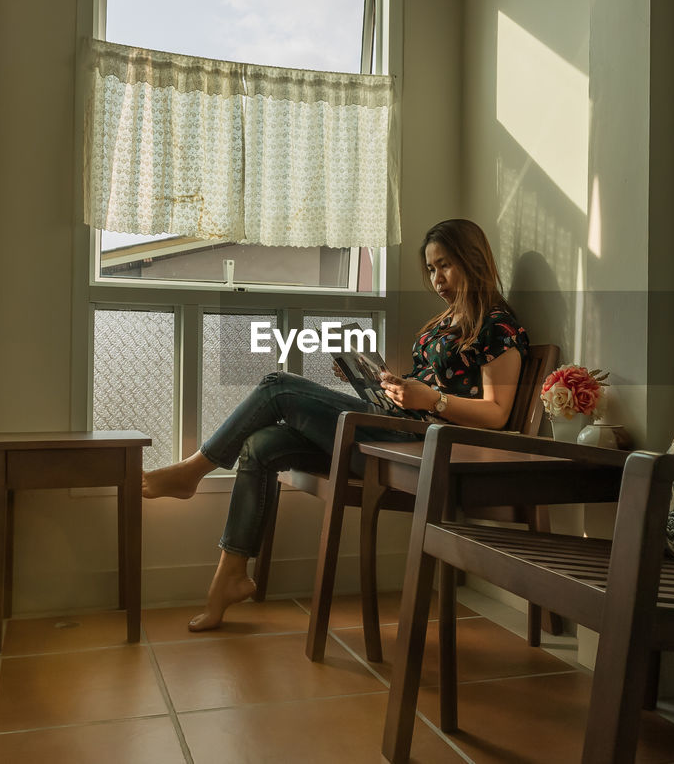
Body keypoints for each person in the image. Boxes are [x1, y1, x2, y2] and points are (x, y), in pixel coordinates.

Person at [141, 218, 529, 631]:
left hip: (417, 446)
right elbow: (421, 390)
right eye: (432, 269)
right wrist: (379, 380)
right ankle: (230, 574)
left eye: (445, 266)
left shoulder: (498, 327)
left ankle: (193, 471)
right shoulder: (441, 324)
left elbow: (497, 412)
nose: (437, 279)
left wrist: (429, 398)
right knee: (262, 443)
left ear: (473, 261)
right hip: (394, 427)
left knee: (277, 386)